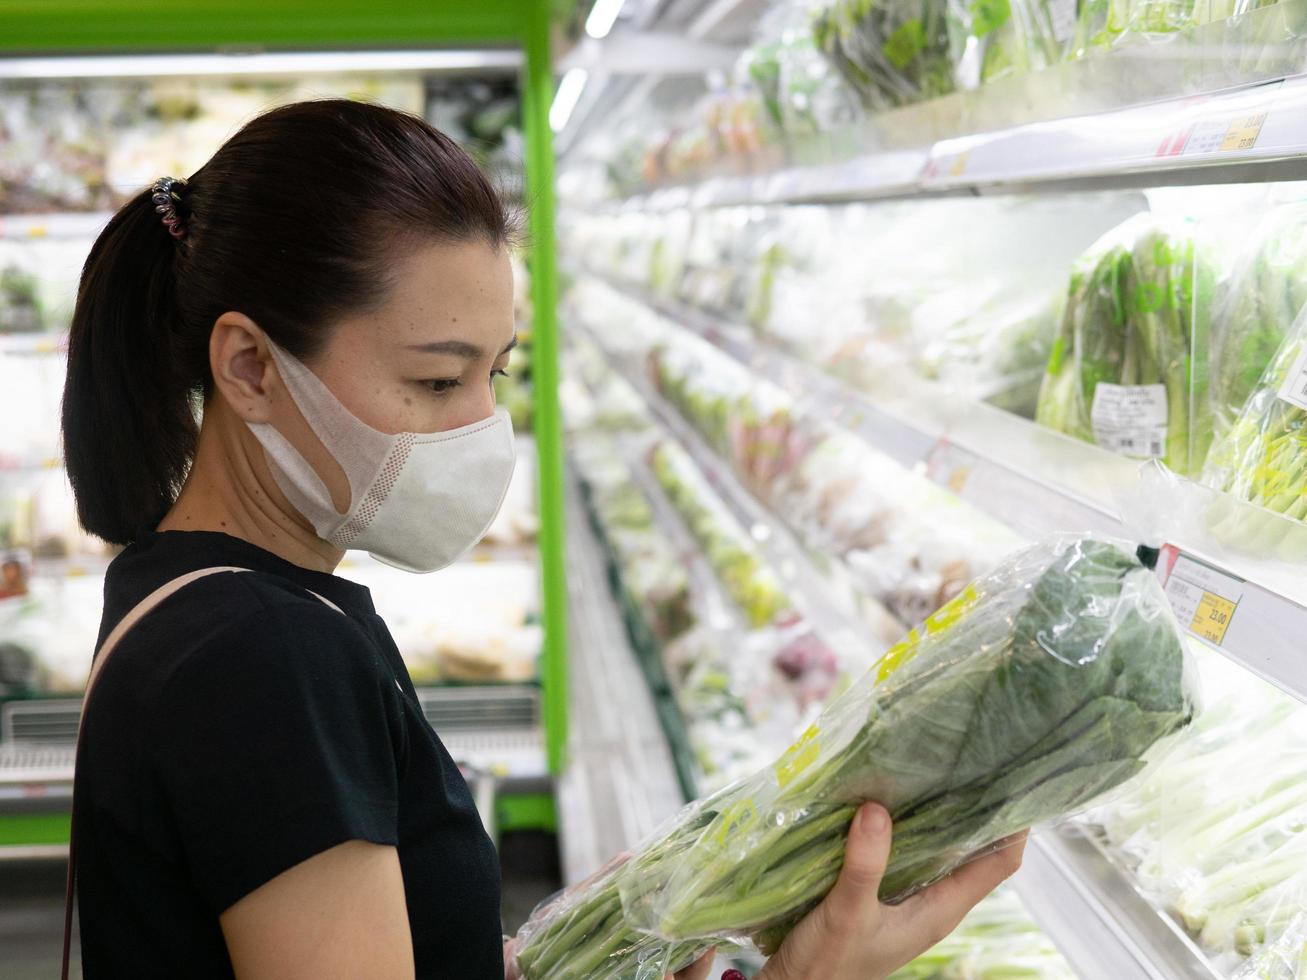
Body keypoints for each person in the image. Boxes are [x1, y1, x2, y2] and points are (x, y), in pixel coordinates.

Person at [61, 97, 1023, 980]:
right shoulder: (262, 657)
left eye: (498, 375)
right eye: (439, 382)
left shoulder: (195, 589)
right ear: (250, 367)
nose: (483, 429)